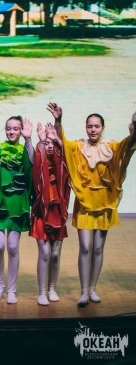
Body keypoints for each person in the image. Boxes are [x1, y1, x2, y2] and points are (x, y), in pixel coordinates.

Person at [48, 103, 136, 307]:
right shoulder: (79, 146)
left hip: (104, 204)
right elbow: (63, 144)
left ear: (103, 128)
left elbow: (129, 144)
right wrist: (58, 120)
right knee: (86, 248)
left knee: (97, 248)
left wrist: (135, 124)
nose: (93, 129)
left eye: (96, 126)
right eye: (90, 126)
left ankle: (93, 289)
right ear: (86, 128)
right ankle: (84, 292)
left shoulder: (111, 147)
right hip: (84, 204)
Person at [0, 115, 34, 304]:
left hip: (17, 204)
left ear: (21, 130)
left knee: (12, 247)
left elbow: (31, 164)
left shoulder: (24, 149)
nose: (11, 132)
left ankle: (11, 290)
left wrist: (28, 139)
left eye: (16, 129)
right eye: (9, 128)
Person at [29, 122, 70, 306]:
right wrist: (40, 142)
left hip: (58, 213)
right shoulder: (39, 160)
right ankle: (42, 292)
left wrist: (57, 138)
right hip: (41, 212)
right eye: (47, 144)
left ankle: (52, 288)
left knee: (54, 254)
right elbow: (36, 167)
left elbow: (68, 158)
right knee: (44, 253)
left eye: (52, 143)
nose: (50, 146)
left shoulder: (63, 164)